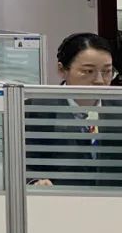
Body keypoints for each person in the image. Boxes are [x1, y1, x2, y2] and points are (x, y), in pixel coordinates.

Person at [27, 33, 121, 188]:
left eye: (107, 72)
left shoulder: (118, 109)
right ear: (62, 70)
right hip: (59, 199)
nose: (99, 81)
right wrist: (34, 182)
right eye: (88, 71)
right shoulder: (36, 109)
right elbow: (21, 164)